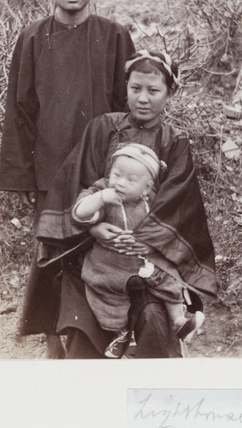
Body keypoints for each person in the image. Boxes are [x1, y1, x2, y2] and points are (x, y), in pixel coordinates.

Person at [0, 0, 135, 357]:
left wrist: (123, 169)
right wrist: (22, 174)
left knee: (99, 248)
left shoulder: (114, 35)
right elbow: (19, 110)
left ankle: (96, 339)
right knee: (52, 250)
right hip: (51, 167)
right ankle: (53, 339)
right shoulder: (32, 37)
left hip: (100, 170)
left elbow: (126, 107)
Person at [37, 49, 217, 359]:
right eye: (135, 88)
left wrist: (144, 241)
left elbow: (178, 204)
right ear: (126, 88)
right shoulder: (102, 128)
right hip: (94, 256)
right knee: (84, 341)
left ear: (170, 94)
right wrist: (94, 229)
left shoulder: (174, 142)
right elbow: (78, 186)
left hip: (148, 259)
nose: (143, 98)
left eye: (153, 90)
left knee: (155, 327)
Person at [73, 143, 205, 359]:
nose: (120, 183)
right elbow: (79, 213)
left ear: (146, 188)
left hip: (146, 264)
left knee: (171, 280)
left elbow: (169, 229)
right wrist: (101, 199)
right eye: (116, 174)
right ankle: (121, 334)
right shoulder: (103, 193)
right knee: (109, 297)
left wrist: (151, 242)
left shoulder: (152, 202)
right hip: (110, 263)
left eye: (131, 180)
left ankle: (178, 322)